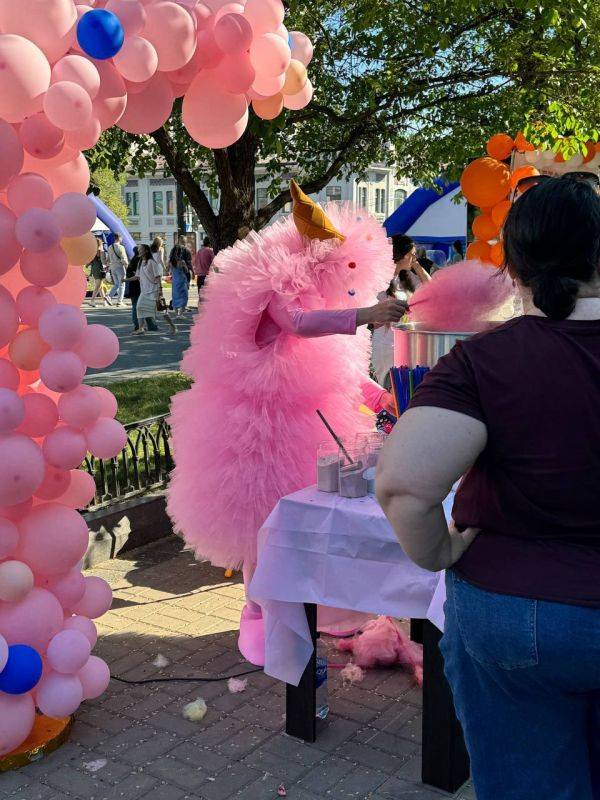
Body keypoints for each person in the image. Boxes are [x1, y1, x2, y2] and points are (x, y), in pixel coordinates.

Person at [376, 174, 600, 800]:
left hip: (515, 614)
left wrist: (439, 553)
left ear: (515, 266)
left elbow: (401, 487)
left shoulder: (486, 360)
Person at [168, 181, 406, 666]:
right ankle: (258, 617)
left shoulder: (320, 302)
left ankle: (313, 612)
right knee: (264, 525)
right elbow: (297, 323)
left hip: (306, 434)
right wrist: (366, 313)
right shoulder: (276, 289)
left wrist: (381, 394)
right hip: (257, 430)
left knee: (307, 524)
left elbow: (335, 366)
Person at [133, 244, 172, 335]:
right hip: (144, 291)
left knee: (160, 311)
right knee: (139, 307)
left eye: (141, 249)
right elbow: (137, 276)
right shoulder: (140, 262)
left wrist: (160, 290)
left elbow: (157, 277)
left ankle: (172, 326)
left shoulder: (151, 262)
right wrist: (124, 280)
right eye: (138, 249)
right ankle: (141, 328)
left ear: (146, 251)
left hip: (153, 290)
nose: (139, 251)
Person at [168, 240, 192, 316]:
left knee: (175, 297)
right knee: (184, 297)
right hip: (182, 281)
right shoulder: (182, 262)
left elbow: (167, 270)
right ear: (180, 253)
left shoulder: (170, 262)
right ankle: (180, 314)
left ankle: (176, 313)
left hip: (175, 282)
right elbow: (186, 271)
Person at [88, 238, 112, 307]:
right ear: (100, 243)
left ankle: (104, 302)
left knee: (100, 286)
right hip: (99, 268)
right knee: (98, 285)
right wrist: (108, 262)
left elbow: (90, 261)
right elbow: (103, 261)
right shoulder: (100, 251)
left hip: (94, 268)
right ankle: (92, 301)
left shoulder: (92, 251)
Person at [107, 233, 128, 306]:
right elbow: (124, 259)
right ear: (119, 238)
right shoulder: (121, 247)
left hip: (112, 267)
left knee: (116, 284)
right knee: (122, 284)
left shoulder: (110, 247)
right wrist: (127, 266)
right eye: (121, 238)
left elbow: (108, 259)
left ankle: (109, 296)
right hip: (120, 267)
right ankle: (119, 301)